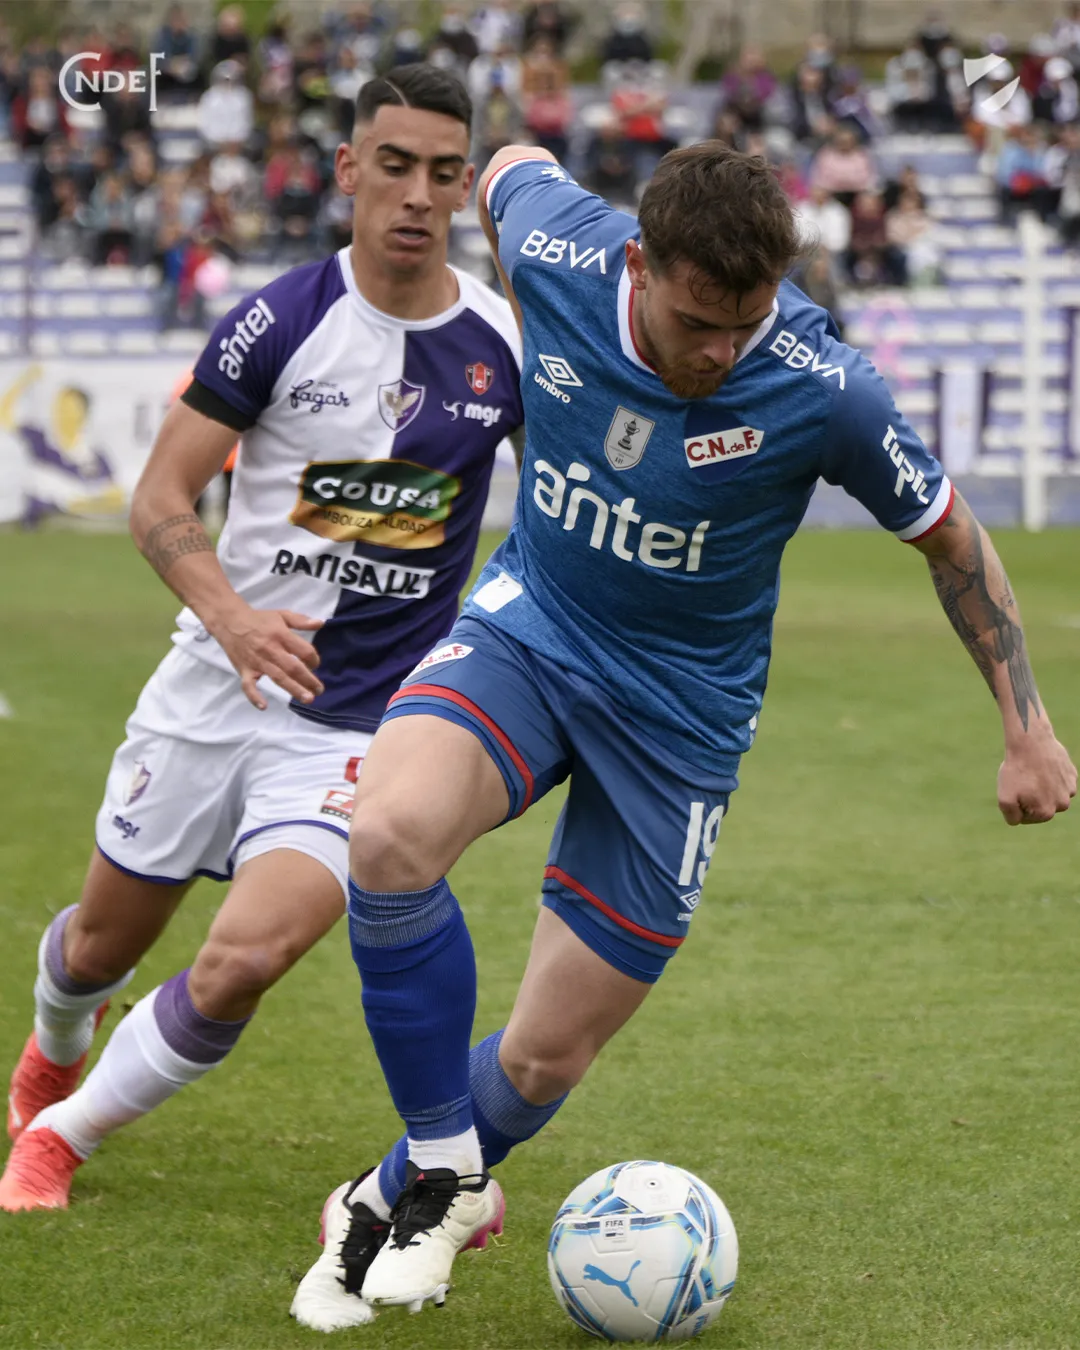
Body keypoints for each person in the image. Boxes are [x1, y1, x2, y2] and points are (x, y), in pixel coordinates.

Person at [291, 140, 1077, 1331]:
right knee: (389, 835)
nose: (720, 352)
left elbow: (953, 537)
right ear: (639, 264)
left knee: (547, 1057)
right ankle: (449, 1171)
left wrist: (1029, 729)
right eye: (698, 322)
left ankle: (394, 1189)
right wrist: (536, 345)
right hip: (532, 634)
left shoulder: (825, 388)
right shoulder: (558, 248)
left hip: (681, 721)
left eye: (744, 325)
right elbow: (506, 166)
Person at [0, 65, 523, 1213]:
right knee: (95, 950)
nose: (417, 195)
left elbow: (560, 513)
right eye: (395, 166)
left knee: (248, 956)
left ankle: (57, 1141)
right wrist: (232, 619)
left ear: (465, 189)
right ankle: (54, 1047)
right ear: (348, 168)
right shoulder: (280, 319)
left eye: (443, 174)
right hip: (213, 686)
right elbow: (159, 498)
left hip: (358, 727)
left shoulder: (503, 343)